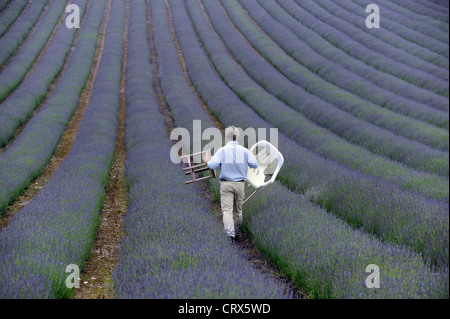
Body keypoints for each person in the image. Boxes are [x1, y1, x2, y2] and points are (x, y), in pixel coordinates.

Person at [203, 126, 258, 243]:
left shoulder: (222, 151)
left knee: (227, 211)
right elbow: (254, 165)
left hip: (226, 184)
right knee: (237, 210)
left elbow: (212, 165)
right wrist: (252, 155)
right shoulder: (244, 151)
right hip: (239, 185)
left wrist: (207, 159)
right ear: (237, 137)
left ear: (226, 137)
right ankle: (237, 232)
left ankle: (230, 235)